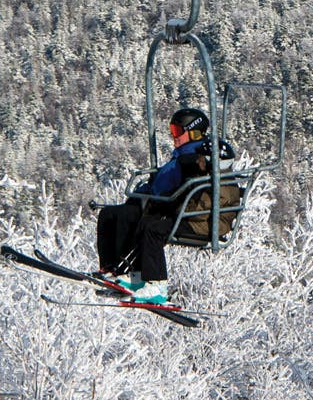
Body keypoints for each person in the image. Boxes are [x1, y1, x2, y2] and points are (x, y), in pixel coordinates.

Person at [95, 106, 236, 303]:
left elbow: (198, 193)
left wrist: (161, 200)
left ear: (193, 132)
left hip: (196, 217)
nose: (174, 136)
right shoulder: (181, 155)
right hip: (174, 207)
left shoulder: (199, 158)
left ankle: (156, 284)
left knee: (148, 225)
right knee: (110, 215)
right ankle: (116, 270)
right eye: (172, 131)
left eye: (178, 131)